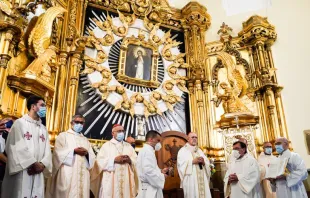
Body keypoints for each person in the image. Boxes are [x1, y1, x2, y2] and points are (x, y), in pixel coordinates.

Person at [1, 95, 52, 198]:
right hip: (23, 170)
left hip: (37, 172)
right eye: (42, 105)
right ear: (33, 106)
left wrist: (42, 164)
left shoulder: (43, 129)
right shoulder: (19, 124)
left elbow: (47, 151)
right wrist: (33, 163)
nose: (44, 108)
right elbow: (15, 147)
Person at [46, 114, 96, 198]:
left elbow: (93, 157)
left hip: (82, 174)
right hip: (67, 173)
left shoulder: (85, 140)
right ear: (71, 123)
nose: (79, 124)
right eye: (77, 122)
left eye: (81, 123)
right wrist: (73, 151)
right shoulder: (63, 136)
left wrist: (87, 154)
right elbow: (57, 154)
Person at [93, 124, 138, 198]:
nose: (121, 133)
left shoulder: (129, 146)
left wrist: (130, 160)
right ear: (112, 133)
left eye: (123, 131)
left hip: (126, 181)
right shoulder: (106, 146)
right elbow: (99, 162)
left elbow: (136, 161)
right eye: (119, 131)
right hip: (111, 181)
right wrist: (114, 160)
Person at [177, 132, 212, 198]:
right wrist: (192, 162)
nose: (194, 139)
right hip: (191, 179)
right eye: (192, 137)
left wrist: (204, 162)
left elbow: (207, 163)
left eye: (196, 137)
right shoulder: (183, 151)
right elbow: (180, 165)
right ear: (188, 139)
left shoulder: (199, 151)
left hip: (202, 178)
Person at [136, 130, 169, 198]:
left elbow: (148, 168)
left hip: (149, 187)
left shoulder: (147, 151)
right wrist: (162, 176)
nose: (159, 143)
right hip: (149, 189)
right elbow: (148, 171)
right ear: (150, 139)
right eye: (158, 140)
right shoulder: (147, 151)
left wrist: (160, 171)